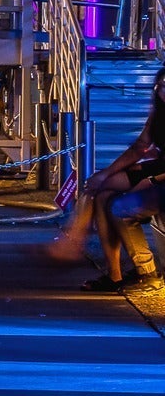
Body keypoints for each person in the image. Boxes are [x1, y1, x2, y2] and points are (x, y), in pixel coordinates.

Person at [51, 82, 165, 289]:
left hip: (160, 177)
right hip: (155, 168)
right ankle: (114, 275)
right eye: (162, 85)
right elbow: (140, 147)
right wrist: (107, 172)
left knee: (120, 206)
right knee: (99, 190)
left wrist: (151, 180)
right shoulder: (158, 112)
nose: (164, 90)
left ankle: (73, 242)